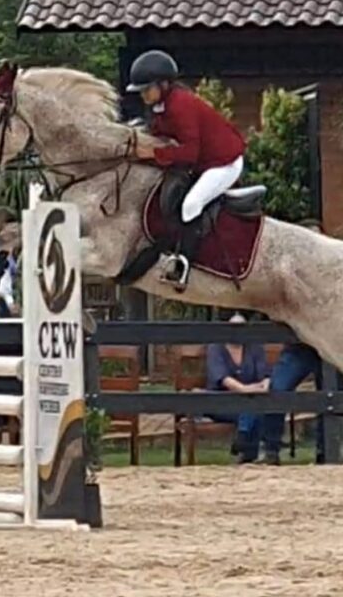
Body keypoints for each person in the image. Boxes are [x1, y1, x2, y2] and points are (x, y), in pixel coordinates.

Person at [128, 49, 246, 290]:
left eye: (146, 88)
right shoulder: (160, 106)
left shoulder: (181, 105)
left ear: (163, 84)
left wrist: (154, 153)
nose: (142, 94)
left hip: (224, 162)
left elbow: (189, 153)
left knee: (190, 204)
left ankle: (183, 264)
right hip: (205, 162)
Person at [206, 313, 270, 464]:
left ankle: (244, 446)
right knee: (254, 411)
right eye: (233, 328)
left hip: (250, 399)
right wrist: (244, 389)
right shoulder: (216, 348)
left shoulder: (255, 348)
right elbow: (221, 378)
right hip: (221, 402)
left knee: (253, 409)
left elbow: (265, 374)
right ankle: (248, 451)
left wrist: (264, 385)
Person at [261, 343, 323, 465]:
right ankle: (270, 450)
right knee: (277, 390)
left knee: (328, 396)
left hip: (331, 348)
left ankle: (324, 451)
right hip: (298, 347)